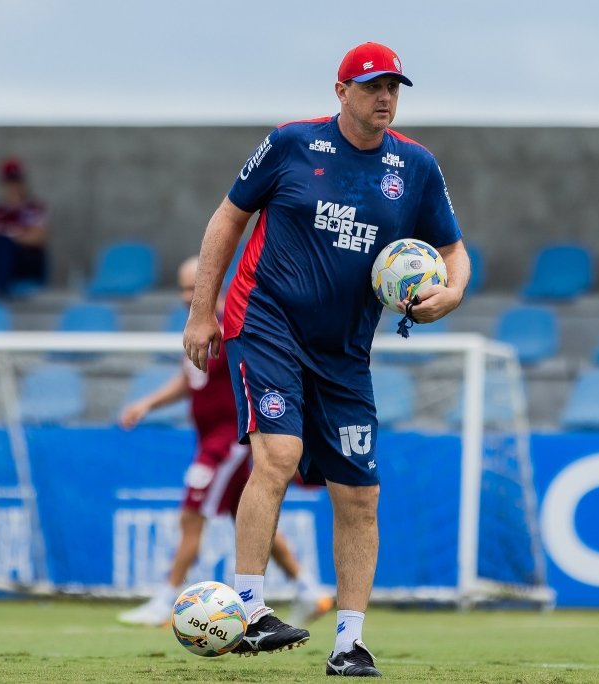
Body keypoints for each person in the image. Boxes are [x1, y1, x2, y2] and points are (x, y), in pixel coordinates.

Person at [182, 42, 469, 676]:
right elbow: (226, 219)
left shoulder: (416, 167)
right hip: (267, 321)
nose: (385, 97)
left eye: (393, 86)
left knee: (360, 496)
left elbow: (454, 251)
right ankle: (250, 611)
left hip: (345, 352)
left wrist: (447, 297)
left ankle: (349, 645)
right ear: (341, 92)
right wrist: (202, 310)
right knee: (278, 454)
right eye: (372, 87)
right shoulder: (290, 144)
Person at [117, 256, 332, 629]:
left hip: (226, 443)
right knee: (245, 518)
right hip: (210, 440)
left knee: (191, 514)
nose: (188, 295)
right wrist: (148, 403)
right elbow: (191, 380)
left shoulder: (233, 324)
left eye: (193, 286)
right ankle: (309, 588)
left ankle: (166, 600)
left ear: (212, 283)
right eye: (183, 287)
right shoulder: (200, 327)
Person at [0, 157, 48, 298]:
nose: (13, 186)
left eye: (16, 180)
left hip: (25, 262)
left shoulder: (34, 208)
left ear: (23, 182)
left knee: (5, 242)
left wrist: (12, 237)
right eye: (8, 181)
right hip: (0, 261)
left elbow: (38, 238)